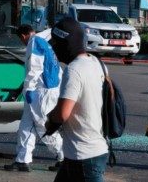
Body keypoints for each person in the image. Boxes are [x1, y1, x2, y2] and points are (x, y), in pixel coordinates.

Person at [46, 17, 108, 182]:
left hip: (84, 156)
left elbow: (62, 114)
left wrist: (50, 119)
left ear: (67, 44)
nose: (54, 49)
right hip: (88, 151)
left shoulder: (74, 70)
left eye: (57, 44)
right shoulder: (97, 63)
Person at [4, 24, 64, 172]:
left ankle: (64, 156)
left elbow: (34, 68)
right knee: (26, 126)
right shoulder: (45, 41)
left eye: (21, 40)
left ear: (23, 36)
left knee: (43, 126)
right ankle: (22, 160)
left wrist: (29, 89)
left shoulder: (35, 42)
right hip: (44, 90)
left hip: (41, 92)